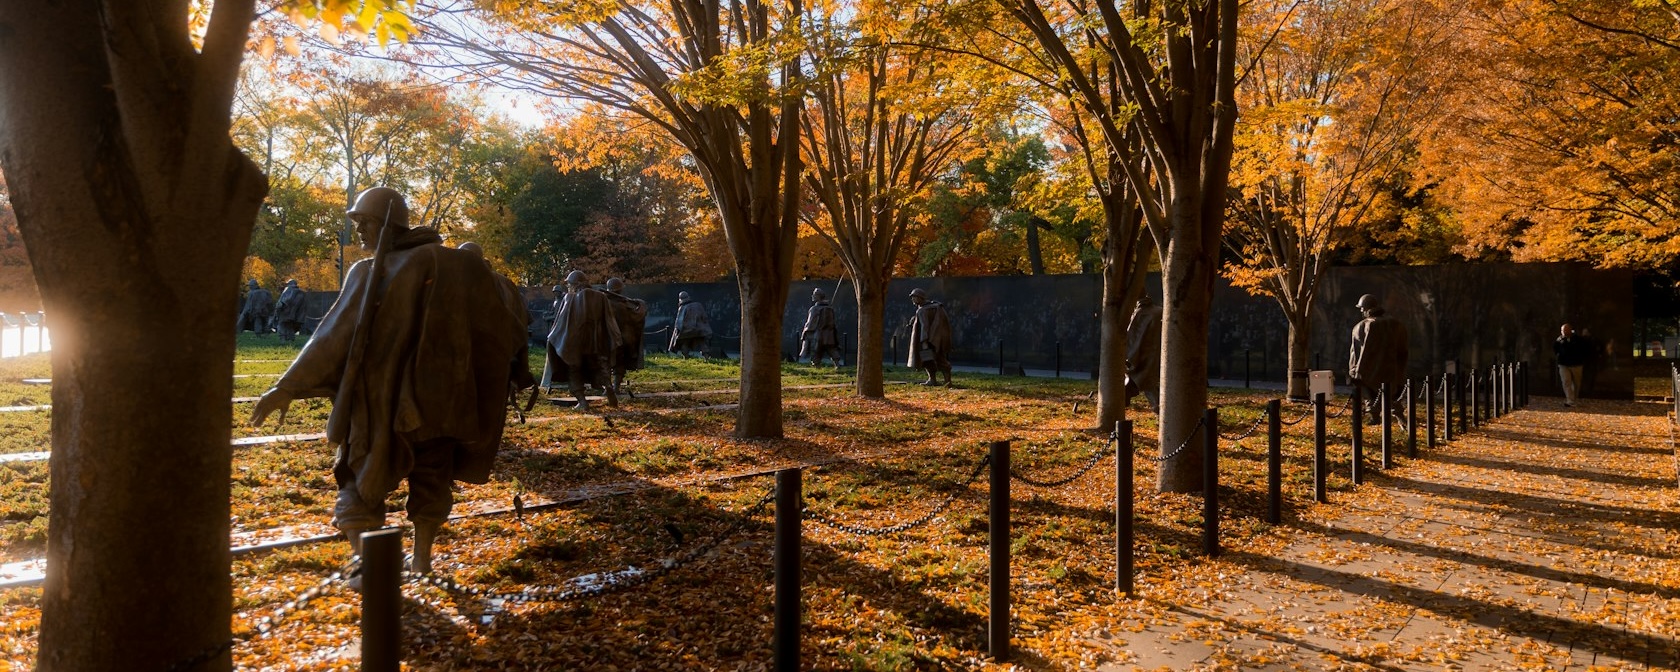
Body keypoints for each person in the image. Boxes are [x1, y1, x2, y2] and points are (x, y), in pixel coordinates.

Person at [250, 186, 530, 578]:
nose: (359, 231)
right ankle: (415, 561)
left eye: (365, 223)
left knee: (358, 474)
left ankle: (375, 563)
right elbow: (504, 328)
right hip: (440, 402)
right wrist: (512, 373)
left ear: (388, 225)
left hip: (381, 402)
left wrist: (288, 386)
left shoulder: (369, 271)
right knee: (431, 476)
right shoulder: (459, 266)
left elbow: (333, 336)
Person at [543, 270, 622, 411]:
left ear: (576, 284)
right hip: (596, 342)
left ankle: (582, 402)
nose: (569, 287)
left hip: (576, 343)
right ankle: (608, 386)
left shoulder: (570, 298)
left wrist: (553, 338)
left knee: (573, 369)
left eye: (570, 284)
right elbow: (609, 321)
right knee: (599, 365)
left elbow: (562, 324)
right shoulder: (601, 297)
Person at [1348, 293, 1409, 423]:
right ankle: (1400, 416)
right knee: (1392, 395)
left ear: (1365, 309)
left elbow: (1357, 352)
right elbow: (1403, 350)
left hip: (1369, 371)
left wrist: (1355, 371)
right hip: (1392, 370)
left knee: (1368, 392)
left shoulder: (1361, 326)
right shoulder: (1395, 324)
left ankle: (1374, 416)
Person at [603, 277, 648, 394]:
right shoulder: (624, 306)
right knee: (619, 365)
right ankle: (615, 387)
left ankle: (609, 388)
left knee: (607, 364)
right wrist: (641, 304)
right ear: (620, 290)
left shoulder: (604, 303)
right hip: (622, 339)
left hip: (608, 340)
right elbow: (638, 315)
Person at [906, 288, 952, 386]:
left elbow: (924, 326)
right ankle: (946, 381)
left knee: (928, 360)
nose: (912, 300)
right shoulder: (935, 306)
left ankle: (933, 380)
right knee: (939, 359)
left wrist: (924, 341)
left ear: (919, 298)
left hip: (926, 341)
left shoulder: (922, 310)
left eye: (914, 297)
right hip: (937, 340)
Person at [1124, 295, 1163, 412]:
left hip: (1143, 356)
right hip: (1157, 354)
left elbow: (1133, 338)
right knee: (1149, 384)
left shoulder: (1141, 314)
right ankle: (1160, 409)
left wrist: (1128, 358)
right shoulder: (1159, 311)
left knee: (1140, 381)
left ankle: (1161, 409)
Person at [800, 287, 842, 367]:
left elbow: (810, 323)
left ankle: (816, 365)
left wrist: (805, 332)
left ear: (818, 296)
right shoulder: (830, 309)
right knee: (831, 349)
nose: (812, 296)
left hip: (818, 334)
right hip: (829, 334)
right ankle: (837, 364)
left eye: (814, 295)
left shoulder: (814, 309)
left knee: (816, 350)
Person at [1554, 323, 1589, 406]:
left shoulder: (1578, 339)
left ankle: (1574, 398)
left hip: (1576, 364)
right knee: (1566, 381)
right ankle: (1570, 399)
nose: (1564, 332)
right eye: (1562, 330)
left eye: (1566, 330)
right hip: (1563, 364)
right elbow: (1555, 349)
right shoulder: (1559, 340)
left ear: (1570, 330)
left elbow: (1584, 349)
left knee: (1576, 383)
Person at [669, 290, 711, 358]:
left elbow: (679, 322)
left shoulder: (682, 308)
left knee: (684, 342)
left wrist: (677, 333)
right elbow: (705, 317)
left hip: (687, 330)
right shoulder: (698, 305)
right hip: (699, 328)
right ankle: (706, 357)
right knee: (702, 341)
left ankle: (686, 357)